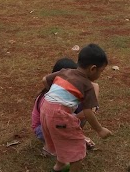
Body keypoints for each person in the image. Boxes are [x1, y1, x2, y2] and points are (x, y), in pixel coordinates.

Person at [39, 44, 112, 172]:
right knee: (77, 149)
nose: (101, 74)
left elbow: (45, 79)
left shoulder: (65, 71)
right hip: (59, 114)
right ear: (93, 69)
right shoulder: (87, 85)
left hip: (45, 109)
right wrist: (100, 130)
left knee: (63, 139)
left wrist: (56, 95)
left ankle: (59, 166)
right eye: (101, 71)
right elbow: (88, 112)